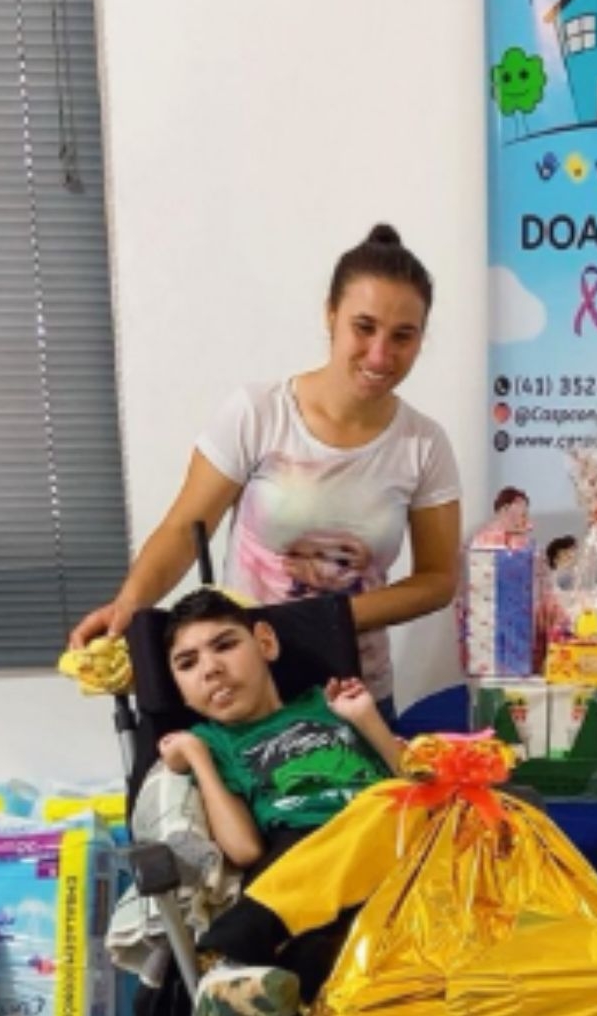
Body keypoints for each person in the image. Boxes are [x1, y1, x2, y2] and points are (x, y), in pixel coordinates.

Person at [69, 223, 461, 722]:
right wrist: (128, 605)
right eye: (364, 327)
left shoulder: (424, 444)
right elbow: (184, 529)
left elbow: (437, 580)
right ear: (331, 314)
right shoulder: (259, 413)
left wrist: (329, 618)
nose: (381, 354)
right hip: (246, 695)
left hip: (358, 697)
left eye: (403, 336)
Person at [154, 587, 409, 1016]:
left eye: (225, 645)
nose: (211, 669)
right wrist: (198, 758)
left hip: (385, 832)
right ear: (180, 690)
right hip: (298, 849)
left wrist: (365, 718)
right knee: (315, 949)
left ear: (265, 643)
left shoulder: (329, 705)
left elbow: (414, 782)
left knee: (386, 816)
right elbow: (245, 850)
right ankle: (252, 986)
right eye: (187, 663)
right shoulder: (214, 743)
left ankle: (230, 955)